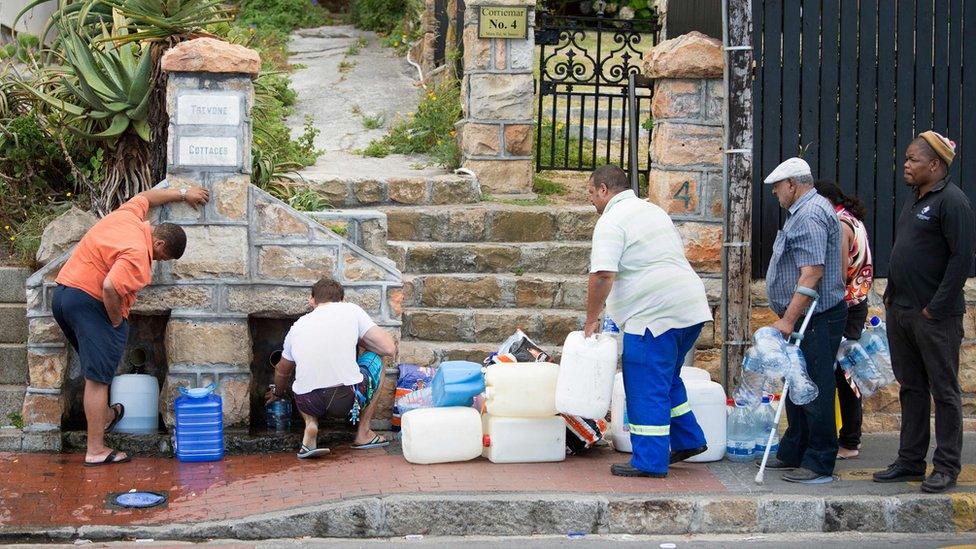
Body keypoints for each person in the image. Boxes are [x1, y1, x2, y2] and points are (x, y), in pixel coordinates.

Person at [53, 185, 210, 466]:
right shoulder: (139, 253)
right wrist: (114, 319)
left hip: (63, 296)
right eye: (162, 258)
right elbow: (110, 285)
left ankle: (109, 416)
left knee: (97, 369)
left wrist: (184, 193)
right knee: (98, 378)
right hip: (91, 303)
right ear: (159, 245)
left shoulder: (129, 218)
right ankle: (96, 450)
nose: (158, 261)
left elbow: (147, 197)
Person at [582, 165, 712, 478]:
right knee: (666, 379)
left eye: (590, 193)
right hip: (690, 308)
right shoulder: (652, 211)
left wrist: (590, 320)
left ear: (603, 189)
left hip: (654, 316)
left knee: (644, 385)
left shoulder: (611, 221)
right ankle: (689, 439)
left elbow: (602, 275)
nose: (590, 201)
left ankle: (649, 461)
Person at [873, 131, 975, 493]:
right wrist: (891, 297)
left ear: (935, 164)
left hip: (934, 317)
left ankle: (946, 466)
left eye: (913, 159)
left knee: (944, 392)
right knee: (911, 388)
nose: (906, 165)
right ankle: (910, 460)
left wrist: (936, 308)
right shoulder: (916, 199)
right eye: (906, 159)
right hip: (901, 311)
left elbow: (961, 259)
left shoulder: (953, 202)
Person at [762, 157, 847, 484]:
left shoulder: (810, 214)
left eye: (777, 188)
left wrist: (787, 320)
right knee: (797, 384)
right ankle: (794, 450)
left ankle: (819, 460)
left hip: (815, 317)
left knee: (813, 387)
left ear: (792, 185)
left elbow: (811, 274)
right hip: (808, 317)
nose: (775, 194)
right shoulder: (807, 210)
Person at [265, 277, 397, 459]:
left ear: (312, 300)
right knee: (377, 358)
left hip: (308, 402)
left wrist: (278, 393)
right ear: (342, 300)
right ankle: (363, 434)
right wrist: (358, 338)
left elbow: (282, 370)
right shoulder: (351, 310)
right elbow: (388, 348)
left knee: (299, 376)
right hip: (346, 399)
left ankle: (311, 424)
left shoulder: (296, 327)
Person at [814, 179, 874, 460]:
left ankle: (849, 441)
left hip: (845, 306)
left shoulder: (839, 225)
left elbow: (837, 274)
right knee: (847, 372)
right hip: (858, 302)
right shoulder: (853, 220)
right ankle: (849, 438)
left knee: (843, 375)